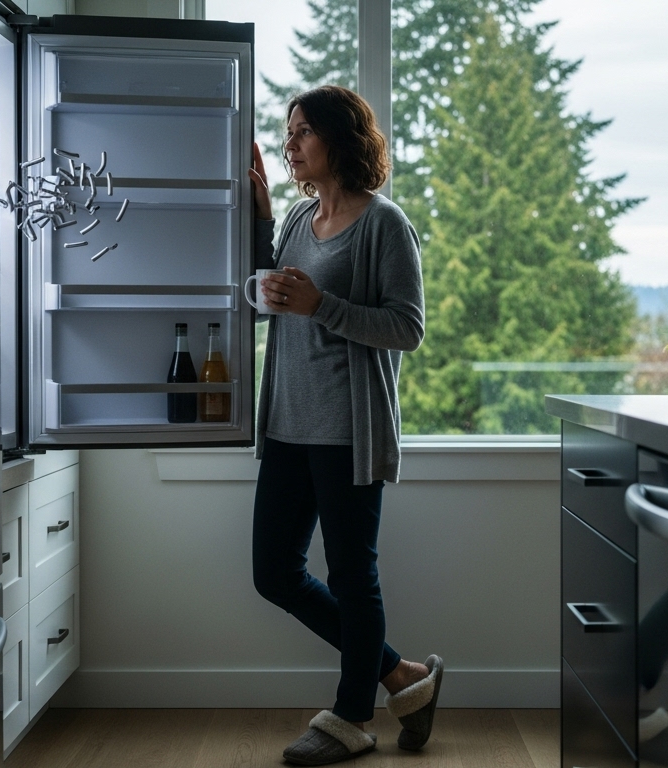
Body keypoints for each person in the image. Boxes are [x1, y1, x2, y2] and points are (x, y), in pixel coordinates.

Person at [246, 84, 442, 766]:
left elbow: (407, 328)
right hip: (288, 427)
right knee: (273, 573)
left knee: (354, 578)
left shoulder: (384, 223)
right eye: (288, 132)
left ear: (339, 138)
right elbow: (274, 293)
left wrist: (322, 304)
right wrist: (263, 221)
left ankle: (354, 716)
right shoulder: (300, 221)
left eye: (301, 131)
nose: (291, 143)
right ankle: (402, 676)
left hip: (348, 433)